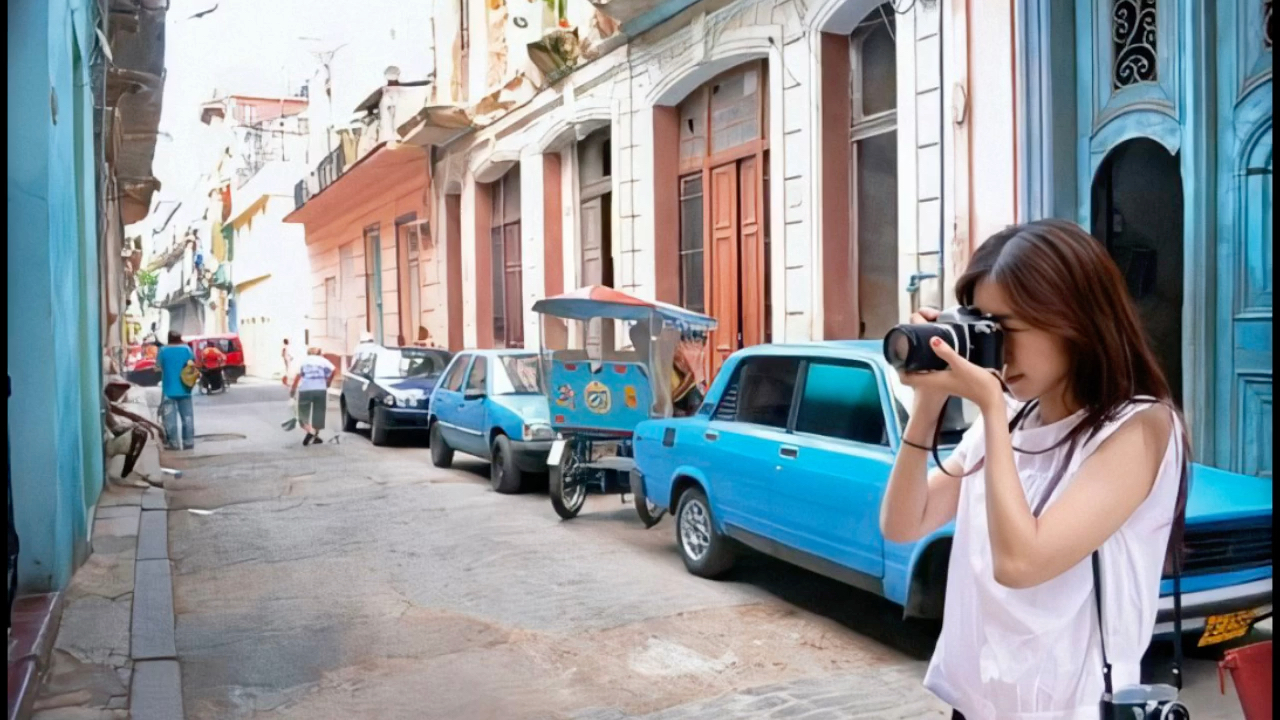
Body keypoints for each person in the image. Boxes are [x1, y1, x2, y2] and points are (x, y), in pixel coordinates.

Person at [879, 219, 1187, 719]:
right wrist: (929, 402)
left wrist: (991, 408)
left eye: (1010, 328)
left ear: (1075, 319)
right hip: (978, 705)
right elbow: (902, 522)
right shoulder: (1009, 422)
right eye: (987, 329)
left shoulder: (1140, 427)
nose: (1001, 351)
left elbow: (1021, 562)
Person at [103, 375, 165, 486]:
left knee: (140, 430)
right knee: (140, 433)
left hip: (111, 438)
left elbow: (129, 415)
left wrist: (154, 426)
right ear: (112, 391)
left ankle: (131, 472)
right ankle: (125, 475)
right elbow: (116, 429)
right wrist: (135, 426)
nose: (121, 396)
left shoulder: (106, 401)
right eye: (120, 392)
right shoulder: (104, 401)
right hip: (109, 444)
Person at [156, 330, 197, 450]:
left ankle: (173, 443)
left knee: (170, 419)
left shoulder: (163, 350)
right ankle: (188, 442)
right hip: (185, 388)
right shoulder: (186, 349)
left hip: (169, 390)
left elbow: (157, 367)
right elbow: (193, 363)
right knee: (187, 417)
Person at [290, 347, 336, 446]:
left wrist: (293, 389)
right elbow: (333, 370)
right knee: (318, 413)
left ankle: (311, 431)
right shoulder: (323, 360)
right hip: (320, 389)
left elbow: (298, 376)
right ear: (319, 353)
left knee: (302, 415)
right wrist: (328, 381)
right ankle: (316, 436)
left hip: (305, 389)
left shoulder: (303, 361)